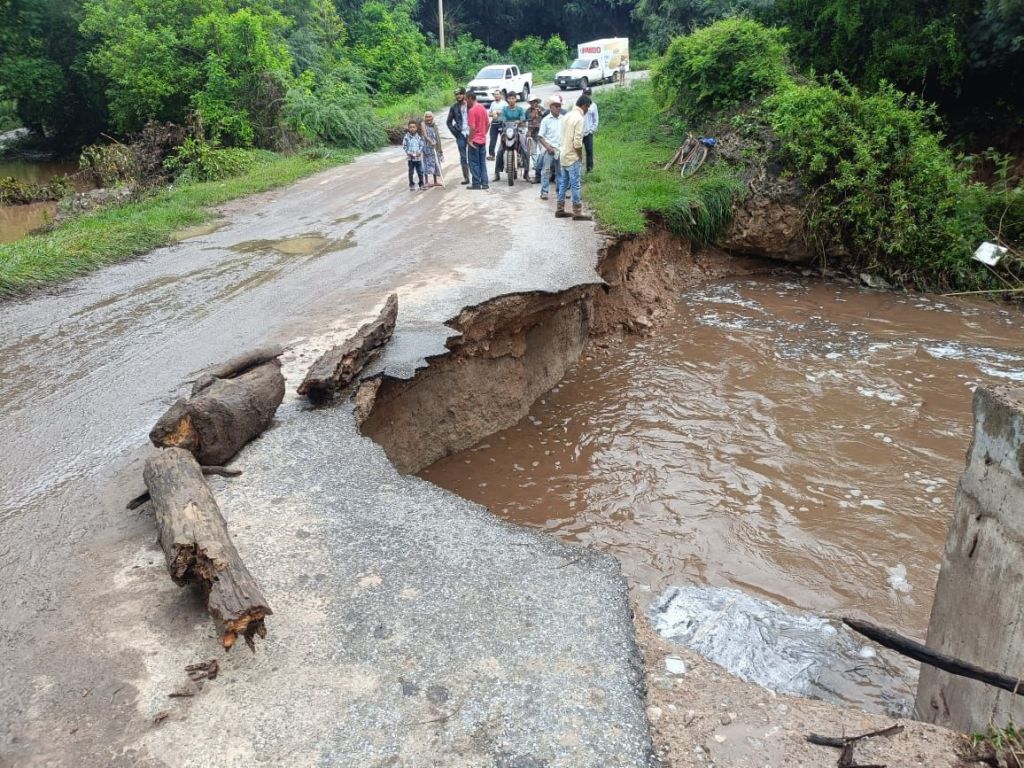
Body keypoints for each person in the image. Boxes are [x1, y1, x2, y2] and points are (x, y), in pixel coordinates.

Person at [556, 94, 591, 219]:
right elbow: (577, 142)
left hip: (563, 154)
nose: (587, 111)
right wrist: (580, 156)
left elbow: (561, 136)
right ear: (584, 106)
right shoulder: (579, 119)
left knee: (563, 183)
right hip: (572, 157)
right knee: (575, 184)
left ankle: (560, 209)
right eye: (587, 108)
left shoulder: (566, 116)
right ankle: (577, 212)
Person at [494, 91, 526, 182]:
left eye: (513, 98)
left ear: (516, 99)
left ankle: (526, 172)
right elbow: (502, 117)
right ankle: (497, 173)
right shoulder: (505, 109)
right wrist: (502, 119)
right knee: (500, 151)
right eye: (509, 98)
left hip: (518, 131)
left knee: (525, 149)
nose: (511, 100)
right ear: (507, 99)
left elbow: (523, 117)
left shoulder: (520, 109)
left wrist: (520, 120)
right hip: (507, 131)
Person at [536, 96, 563, 200]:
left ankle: (560, 191)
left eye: (559, 106)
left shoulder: (563, 119)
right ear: (551, 107)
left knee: (560, 171)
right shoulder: (546, 120)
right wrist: (548, 147)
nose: (558, 108)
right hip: (549, 149)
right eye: (556, 106)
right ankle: (544, 191)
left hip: (560, 149)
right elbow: (540, 137)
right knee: (546, 171)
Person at [465, 91, 490, 190]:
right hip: (482, 140)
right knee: (482, 162)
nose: (466, 102)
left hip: (475, 141)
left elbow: (472, 127)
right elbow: (488, 124)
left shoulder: (472, 110)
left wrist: (470, 139)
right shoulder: (482, 108)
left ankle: (476, 183)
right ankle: (485, 183)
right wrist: (483, 134)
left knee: (474, 163)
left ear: (470, 98)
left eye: (466, 99)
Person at [446, 87, 470, 185]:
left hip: (471, 133)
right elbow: (448, 122)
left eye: (460, 94)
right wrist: (455, 133)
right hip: (460, 134)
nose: (458, 96)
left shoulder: (470, 105)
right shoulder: (454, 107)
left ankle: (476, 176)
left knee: (472, 155)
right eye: (456, 94)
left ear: (464, 94)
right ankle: (466, 178)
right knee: (463, 156)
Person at [422, 112, 443, 188]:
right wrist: (431, 141)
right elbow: (425, 135)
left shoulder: (434, 125)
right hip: (427, 146)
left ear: (432, 117)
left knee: (435, 163)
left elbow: (437, 136)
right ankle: (426, 182)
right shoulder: (423, 124)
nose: (428, 118)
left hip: (435, 146)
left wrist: (436, 145)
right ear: (424, 118)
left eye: (430, 116)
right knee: (426, 164)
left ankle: (435, 181)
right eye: (427, 117)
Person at [402, 120, 425, 191]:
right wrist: (409, 153)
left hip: (418, 158)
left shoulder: (419, 137)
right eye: (410, 127)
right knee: (411, 172)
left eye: (413, 127)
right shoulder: (406, 137)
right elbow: (404, 146)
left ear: (416, 128)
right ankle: (411, 184)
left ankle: (421, 184)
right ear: (408, 128)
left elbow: (421, 145)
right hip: (410, 158)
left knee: (420, 172)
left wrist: (419, 152)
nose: (412, 129)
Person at [581, 87, 599, 173]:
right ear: (582, 94)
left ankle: (589, 170)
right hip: (579, 133)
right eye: (585, 94)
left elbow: (596, 119)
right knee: (576, 152)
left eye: (588, 94)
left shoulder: (593, 106)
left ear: (591, 94)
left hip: (588, 133)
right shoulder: (578, 105)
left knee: (589, 152)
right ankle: (577, 170)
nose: (587, 95)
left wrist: (591, 130)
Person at [487, 89, 506, 160]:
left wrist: (500, 113)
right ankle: (492, 155)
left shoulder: (504, 103)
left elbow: (507, 112)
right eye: (495, 94)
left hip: (502, 123)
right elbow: (489, 114)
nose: (496, 96)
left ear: (500, 95)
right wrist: (493, 114)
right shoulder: (492, 104)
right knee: (492, 140)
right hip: (494, 123)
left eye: (497, 94)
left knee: (504, 139)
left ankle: (504, 154)